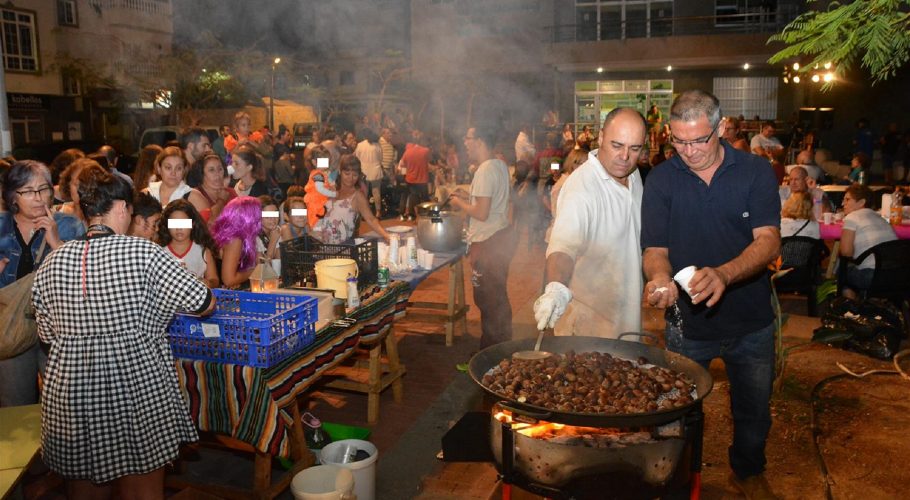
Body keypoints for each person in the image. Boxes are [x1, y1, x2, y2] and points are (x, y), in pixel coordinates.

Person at [32, 167, 213, 498]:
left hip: (75, 396)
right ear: (120, 207)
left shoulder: (53, 263)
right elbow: (203, 301)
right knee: (141, 488)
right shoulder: (143, 253)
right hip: (136, 386)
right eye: (130, 209)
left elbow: (46, 333)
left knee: (85, 489)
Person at [641, 90, 781, 499]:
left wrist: (724, 274)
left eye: (699, 140)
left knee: (753, 409)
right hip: (687, 324)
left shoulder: (754, 171)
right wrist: (659, 279)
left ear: (720, 129)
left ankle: (748, 472)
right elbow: (655, 249)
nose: (689, 152)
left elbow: (769, 240)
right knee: (678, 409)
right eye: (679, 142)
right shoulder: (662, 179)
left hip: (750, 320)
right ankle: (678, 479)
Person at [532, 108, 647, 339]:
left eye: (634, 148)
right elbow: (563, 247)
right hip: (588, 325)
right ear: (601, 137)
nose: (625, 156)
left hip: (627, 315)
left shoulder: (633, 175)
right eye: (617, 145)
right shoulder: (581, 187)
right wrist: (556, 288)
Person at [0, 161, 85, 407]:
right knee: (16, 404)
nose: (38, 198)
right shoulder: (2, 226)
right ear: (13, 196)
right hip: (11, 326)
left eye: (43, 189)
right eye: (28, 191)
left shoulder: (69, 224)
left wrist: (56, 243)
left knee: (65, 404)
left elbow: (83, 278)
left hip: (59, 327)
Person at [448, 125, 515, 348]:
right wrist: (468, 196)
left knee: (489, 300)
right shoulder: (499, 165)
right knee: (496, 298)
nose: (465, 142)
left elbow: (481, 213)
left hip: (488, 244)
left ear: (479, 140)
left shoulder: (485, 170)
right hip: (499, 239)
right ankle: (500, 348)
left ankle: (492, 353)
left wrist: (459, 203)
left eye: (468, 138)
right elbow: (491, 202)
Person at [313, 155, 390, 244]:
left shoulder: (357, 196)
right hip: (319, 243)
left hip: (342, 247)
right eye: (347, 174)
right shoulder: (329, 189)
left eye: (355, 175)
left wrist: (386, 235)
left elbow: (371, 219)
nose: (351, 178)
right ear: (340, 171)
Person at [839, 183, 897, 296]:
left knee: (841, 272)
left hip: (872, 276)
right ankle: (867, 301)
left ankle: (851, 305)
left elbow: (846, 252)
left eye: (847, 200)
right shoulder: (881, 219)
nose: (842, 203)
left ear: (861, 202)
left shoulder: (852, 217)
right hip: (897, 275)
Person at [158, 199, 220, 288]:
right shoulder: (160, 252)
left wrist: (208, 283)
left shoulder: (203, 252)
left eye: (183, 223)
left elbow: (214, 280)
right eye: (174, 223)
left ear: (193, 223)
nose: (179, 228)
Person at [210, 196, 262, 288]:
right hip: (224, 294)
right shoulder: (235, 240)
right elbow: (229, 280)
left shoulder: (228, 235)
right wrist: (256, 270)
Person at [186, 153, 237, 223]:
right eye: (211, 170)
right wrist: (221, 201)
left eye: (220, 169)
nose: (217, 174)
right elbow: (208, 224)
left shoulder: (231, 192)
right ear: (201, 174)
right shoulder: (195, 194)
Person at [397, 135, 433, 221]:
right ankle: (426, 215)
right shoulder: (426, 150)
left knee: (413, 197)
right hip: (422, 178)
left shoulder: (408, 152)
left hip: (411, 178)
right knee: (425, 198)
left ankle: (411, 215)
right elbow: (430, 160)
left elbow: (402, 164)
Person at [354, 129, 384, 216]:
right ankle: (378, 212)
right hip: (376, 171)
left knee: (364, 193)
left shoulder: (360, 145)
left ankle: (364, 211)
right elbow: (381, 159)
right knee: (376, 191)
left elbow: (357, 158)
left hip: (364, 171)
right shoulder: (377, 145)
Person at [257, 195, 281, 261]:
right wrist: (273, 241)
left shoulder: (276, 230)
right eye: (267, 215)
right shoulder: (254, 237)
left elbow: (278, 260)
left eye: (275, 214)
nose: (273, 219)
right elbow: (263, 265)